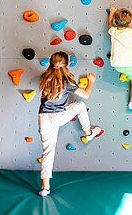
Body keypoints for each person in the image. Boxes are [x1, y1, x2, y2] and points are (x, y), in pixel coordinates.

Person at [37, 51, 101, 197]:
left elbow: (56, 78)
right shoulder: (68, 82)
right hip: (57, 116)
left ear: (51, 63)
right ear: (68, 64)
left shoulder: (44, 78)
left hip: (43, 118)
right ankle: (88, 133)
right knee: (79, 105)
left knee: (47, 152)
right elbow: (86, 94)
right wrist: (90, 81)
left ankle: (45, 188)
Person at [108, 7, 132, 113]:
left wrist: (111, 13)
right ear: (129, 24)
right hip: (130, 65)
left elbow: (109, 24)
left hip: (117, 66)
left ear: (116, 21)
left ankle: (124, 74)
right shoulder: (131, 32)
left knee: (125, 71)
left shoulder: (113, 31)